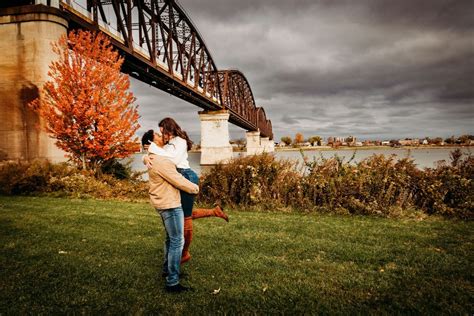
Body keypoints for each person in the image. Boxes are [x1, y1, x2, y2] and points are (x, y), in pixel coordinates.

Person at [142, 122, 228, 264]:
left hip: (186, 176)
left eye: (163, 131)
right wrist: (145, 156)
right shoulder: (168, 143)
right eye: (159, 133)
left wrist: (151, 151)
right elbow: (158, 156)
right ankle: (214, 212)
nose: (162, 135)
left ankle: (185, 253)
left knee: (185, 217)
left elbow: (173, 160)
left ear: (170, 129)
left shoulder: (179, 141)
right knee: (182, 213)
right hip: (180, 175)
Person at [144, 133, 199, 293]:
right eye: (158, 135)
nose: (162, 136)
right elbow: (177, 179)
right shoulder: (161, 161)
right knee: (177, 241)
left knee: (170, 238)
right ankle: (172, 282)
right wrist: (194, 187)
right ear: (152, 141)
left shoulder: (153, 156)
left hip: (162, 202)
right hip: (170, 204)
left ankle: (167, 270)